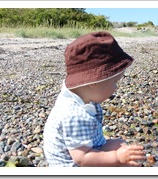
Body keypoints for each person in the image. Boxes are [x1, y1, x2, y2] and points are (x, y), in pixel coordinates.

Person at [43, 31, 146, 167]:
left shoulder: (74, 95)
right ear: (94, 82)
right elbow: (83, 159)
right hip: (73, 166)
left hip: (79, 153)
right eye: (114, 82)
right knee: (126, 163)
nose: (116, 88)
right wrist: (117, 158)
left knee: (119, 143)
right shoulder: (75, 116)